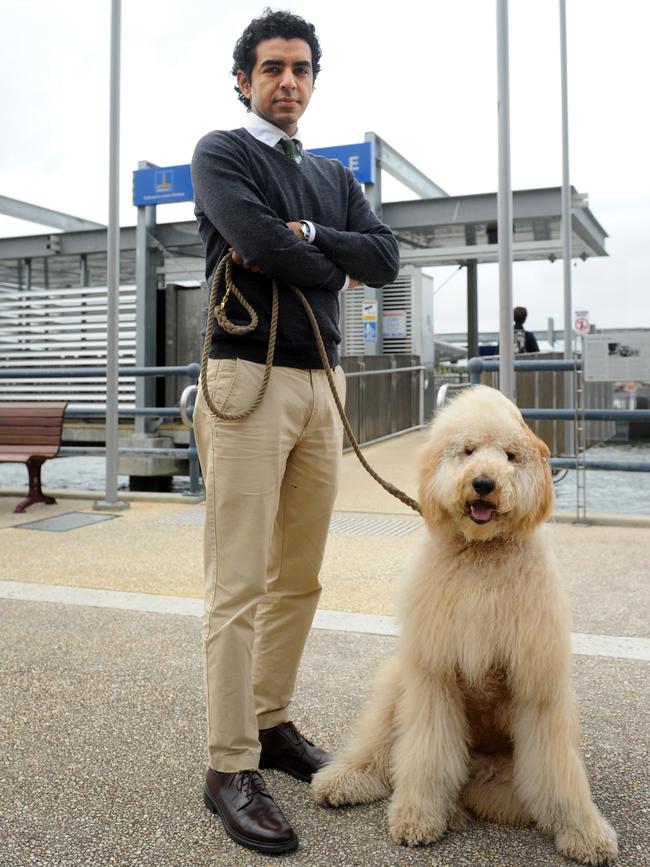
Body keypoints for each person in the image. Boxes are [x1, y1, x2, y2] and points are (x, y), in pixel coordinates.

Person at [190, 9, 399, 855]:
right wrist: (323, 257)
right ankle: (227, 762)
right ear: (244, 78)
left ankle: (269, 723)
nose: (288, 81)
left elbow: (382, 257)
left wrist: (309, 237)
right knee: (236, 582)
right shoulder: (221, 153)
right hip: (246, 378)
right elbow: (253, 242)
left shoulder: (330, 173)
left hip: (323, 386)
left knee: (300, 577)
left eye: (301, 69)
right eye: (272, 68)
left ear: (313, 81)